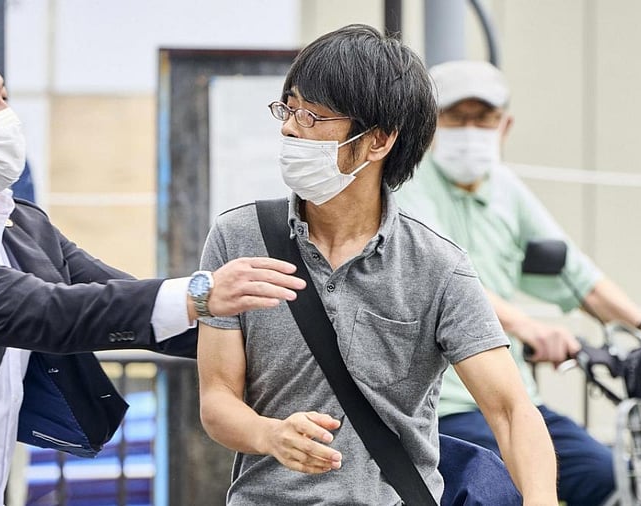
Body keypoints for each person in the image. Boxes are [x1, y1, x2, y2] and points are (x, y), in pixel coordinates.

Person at [0, 20, 306, 506]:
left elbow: (136, 311)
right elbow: (47, 312)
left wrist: (300, 344)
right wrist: (201, 292)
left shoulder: (21, 225)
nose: (7, 116)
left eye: (6, 98)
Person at [196, 24, 558, 505]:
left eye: (313, 116)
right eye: (289, 108)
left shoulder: (437, 266)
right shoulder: (238, 237)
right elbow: (217, 398)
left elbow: (511, 411)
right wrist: (268, 434)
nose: (288, 127)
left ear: (378, 141)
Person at [396, 60, 641, 506]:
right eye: (457, 117)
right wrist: (528, 327)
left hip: (517, 397)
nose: (471, 129)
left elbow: (579, 277)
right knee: (495, 489)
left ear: (504, 125)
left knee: (610, 478)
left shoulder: (507, 190)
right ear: (432, 125)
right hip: (442, 404)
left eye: (483, 117)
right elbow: (445, 278)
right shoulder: (405, 187)